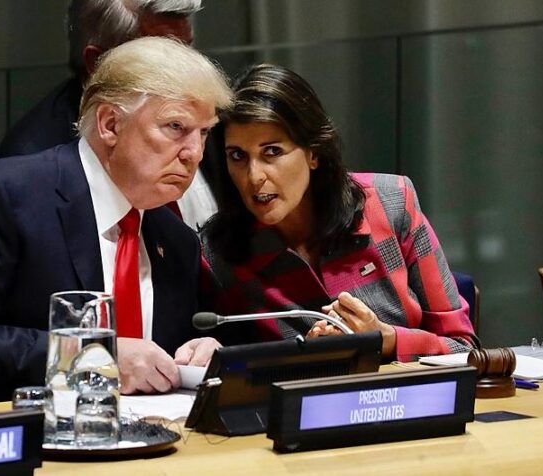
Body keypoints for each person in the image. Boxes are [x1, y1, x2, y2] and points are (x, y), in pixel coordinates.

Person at [0, 37, 232, 404]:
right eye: (175, 127)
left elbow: (152, 362)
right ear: (110, 124)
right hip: (26, 444)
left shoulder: (175, 240)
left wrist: (198, 353)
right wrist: (92, 357)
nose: (195, 153)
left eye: (203, 133)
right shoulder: (0, 197)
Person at [200, 64, 479, 362]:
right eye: (238, 156)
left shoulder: (391, 202)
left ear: (313, 153)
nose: (253, 176)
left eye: (272, 152)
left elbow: (464, 348)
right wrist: (303, 360)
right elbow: (229, 371)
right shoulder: (217, 252)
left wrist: (385, 339)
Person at [0, 0, 218, 230]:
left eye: (188, 51)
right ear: (98, 63)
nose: (188, 74)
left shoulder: (206, 116)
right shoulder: (31, 163)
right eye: (165, 59)